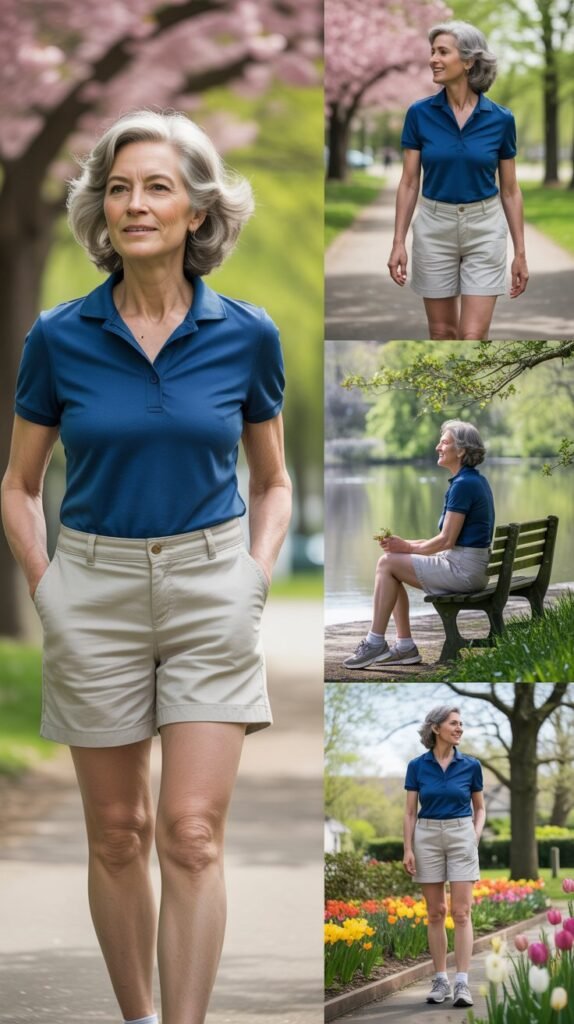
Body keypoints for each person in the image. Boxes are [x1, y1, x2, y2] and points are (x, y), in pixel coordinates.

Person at [1, 109, 291, 1024]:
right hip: (93, 586)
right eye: (119, 188)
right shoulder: (59, 335)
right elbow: (17, 486)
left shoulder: (249, 335)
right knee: (119, 833)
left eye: (157, 186)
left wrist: (251, 578)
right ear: (101, 210)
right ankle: (136, 1016)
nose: (135, 203)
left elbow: (275, 482)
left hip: (212, 587)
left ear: (198, 211)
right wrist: (53, 592)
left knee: (192, 833)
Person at [387, 21, 529, 341]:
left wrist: (520, 252)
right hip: (434, 227)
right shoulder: (419, 114)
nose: (433, 59)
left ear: (468, 61)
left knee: (473, 335)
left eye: (442, 52)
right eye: (432, 52)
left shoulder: (501, 120)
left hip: (485, 228)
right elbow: (409, 183)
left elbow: (510, 189)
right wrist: (398, 242)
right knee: (441, 334)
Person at [343, 419, 494, 668]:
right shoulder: (472, 481)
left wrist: (408, 548)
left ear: (462, 451)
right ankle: (404, 647)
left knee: (386, 565)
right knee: (391, 567)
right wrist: (403, 545)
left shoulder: (464, 485)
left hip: (464, 571)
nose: (437, 446)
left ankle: (375, 643)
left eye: (444, 442)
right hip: (468, 564)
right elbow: (448, 542)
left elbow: (446, 540)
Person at [402, 705, 486, 1007]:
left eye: (461, 723)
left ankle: (462, 983)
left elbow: (481, 808)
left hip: (461, 832)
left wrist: (473, 835)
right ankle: (440, 980)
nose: (460, 728)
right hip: (426, 835)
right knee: (436, 912)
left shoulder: (471, 765)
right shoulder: (416, 766)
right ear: (436, 728)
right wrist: (408, 848)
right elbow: (410, 811)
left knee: (461, 913)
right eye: (453, 723)